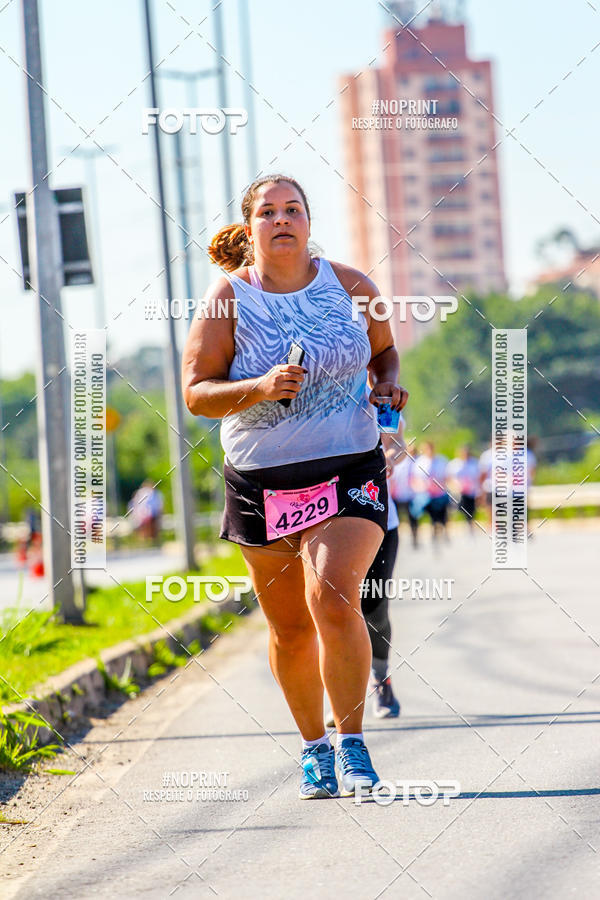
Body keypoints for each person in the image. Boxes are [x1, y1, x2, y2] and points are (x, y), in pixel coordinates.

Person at [181, 174, 408, 799]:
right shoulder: (227, 300)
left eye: (294, 210)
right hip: (262, 480)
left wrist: (386, 386)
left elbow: (384, 354)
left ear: (309, 222)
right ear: (250, 226)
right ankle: (314, 749)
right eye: (269, 211)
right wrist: (256, 388)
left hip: (348, 466)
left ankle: (354, 743)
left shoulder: (354, 287)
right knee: (288, 629)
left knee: (334, 598)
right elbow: (197, 393)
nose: (283, 219)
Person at [414, 442, 449, 543]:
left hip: (440, 493)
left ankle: (444, 533)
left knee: (443, 515)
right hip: (426, 494)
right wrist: (422, 487)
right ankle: (426, 534)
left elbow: (446, 477)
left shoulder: (441, 460)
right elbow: (416, 478)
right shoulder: (420, 462)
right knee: (425, 513)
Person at [447, 445, 480, 532]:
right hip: (458, 492)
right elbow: (449, 478)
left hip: (471, 492)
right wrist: (455, 486)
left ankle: (470, 525)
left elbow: (478, 477)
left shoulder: (474, 463)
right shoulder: (454, 464)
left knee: (471, 510)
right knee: (455, 509)